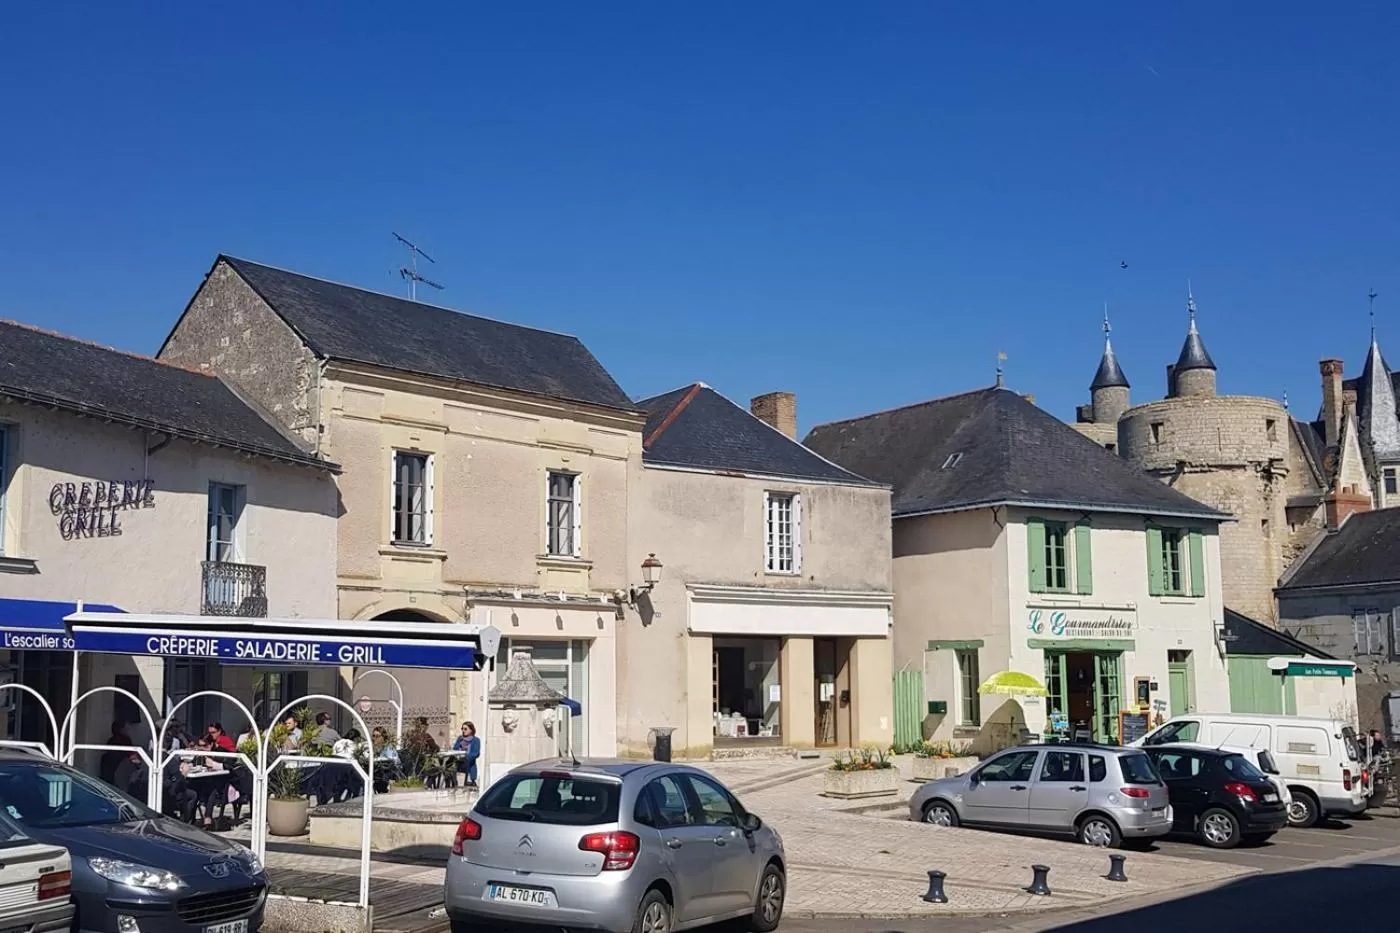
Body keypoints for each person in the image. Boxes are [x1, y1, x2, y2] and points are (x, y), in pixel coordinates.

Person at [99, 720, 132, 787]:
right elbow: (131, 755)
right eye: (125, 728)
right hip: (120, 772)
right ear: (121, 729)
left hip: (108, 779)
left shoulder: (110, 740)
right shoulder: (126, 740)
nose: (127, 730)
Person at [453, 722, 482, 788]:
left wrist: (465, 756)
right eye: (462, 729)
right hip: (458, 767)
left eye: (465, 729)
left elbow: (476, 753)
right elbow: (455, 749)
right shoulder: (460, 739)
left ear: (471, 730)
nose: (463, 730)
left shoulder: (476, 740)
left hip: (469, 767)